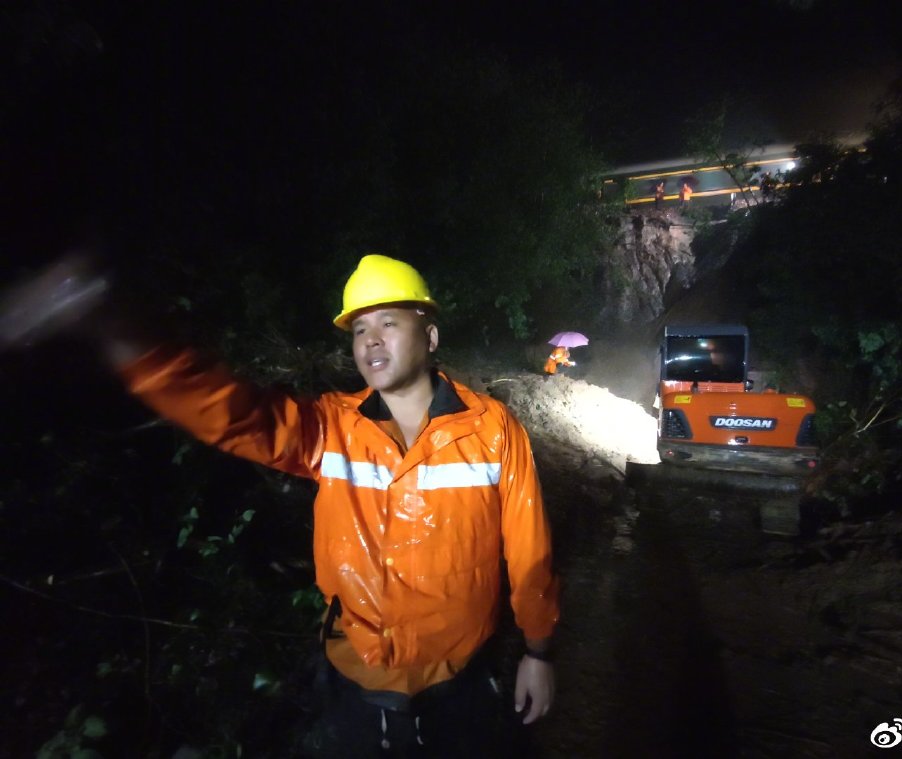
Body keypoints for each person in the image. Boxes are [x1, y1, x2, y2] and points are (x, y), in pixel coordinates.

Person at [0, 253, 559, 757]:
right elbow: (232, 414)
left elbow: (529, 549)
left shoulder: (493, 431)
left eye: (389, 321)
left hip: (461, 685)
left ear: (431, 336)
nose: (370, 340)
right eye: (359, 328)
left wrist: (538, 652)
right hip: (355, 689)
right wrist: (118, 329)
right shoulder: (331, 427)